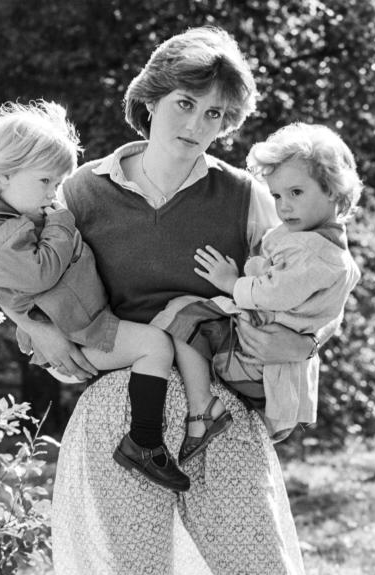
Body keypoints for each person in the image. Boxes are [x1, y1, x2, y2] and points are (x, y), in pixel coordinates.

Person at [16, 26, 344, 575]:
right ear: (152, 98)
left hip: (219, 419)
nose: (198, 123)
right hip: (116, 414)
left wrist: (279, 357)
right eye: (186, 104)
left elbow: (305, 301)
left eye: (218, 113)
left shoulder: (246, 198)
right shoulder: (83, 193)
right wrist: (32, 328)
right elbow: (22, 274)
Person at [0, 100, 189, 492]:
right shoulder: (4, 234)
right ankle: (145, 443)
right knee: (156, 346)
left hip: (80, 323)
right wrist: (62, 222)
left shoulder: (16, 218)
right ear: (4, 175)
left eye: (58, 182)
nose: (55, 193)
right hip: (80, 332)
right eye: (46, 181)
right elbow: (42, 270)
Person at [154, 122, 362, 445]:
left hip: (254, 362)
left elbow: (272, 293)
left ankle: (202, 408)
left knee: (181, 315)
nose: (284, 206)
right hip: (269, 365)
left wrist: (231, 283)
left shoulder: (313, 253)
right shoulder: (323, 245)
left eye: (296, 192)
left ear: (333, 190)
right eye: (277, 195)